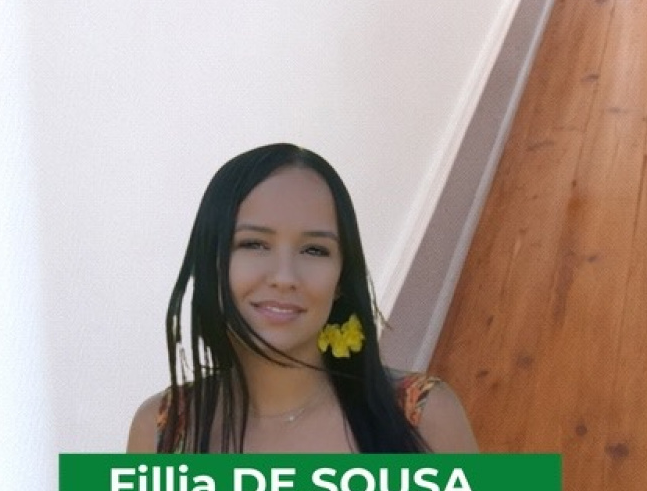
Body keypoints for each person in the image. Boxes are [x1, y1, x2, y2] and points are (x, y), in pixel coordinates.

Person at [126, 142, 478, 455]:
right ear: (211, 262)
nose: (284, 277)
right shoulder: (160, 431)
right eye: (253, 244)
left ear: (341, 278)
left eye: (314, 250)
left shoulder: (423, 417)